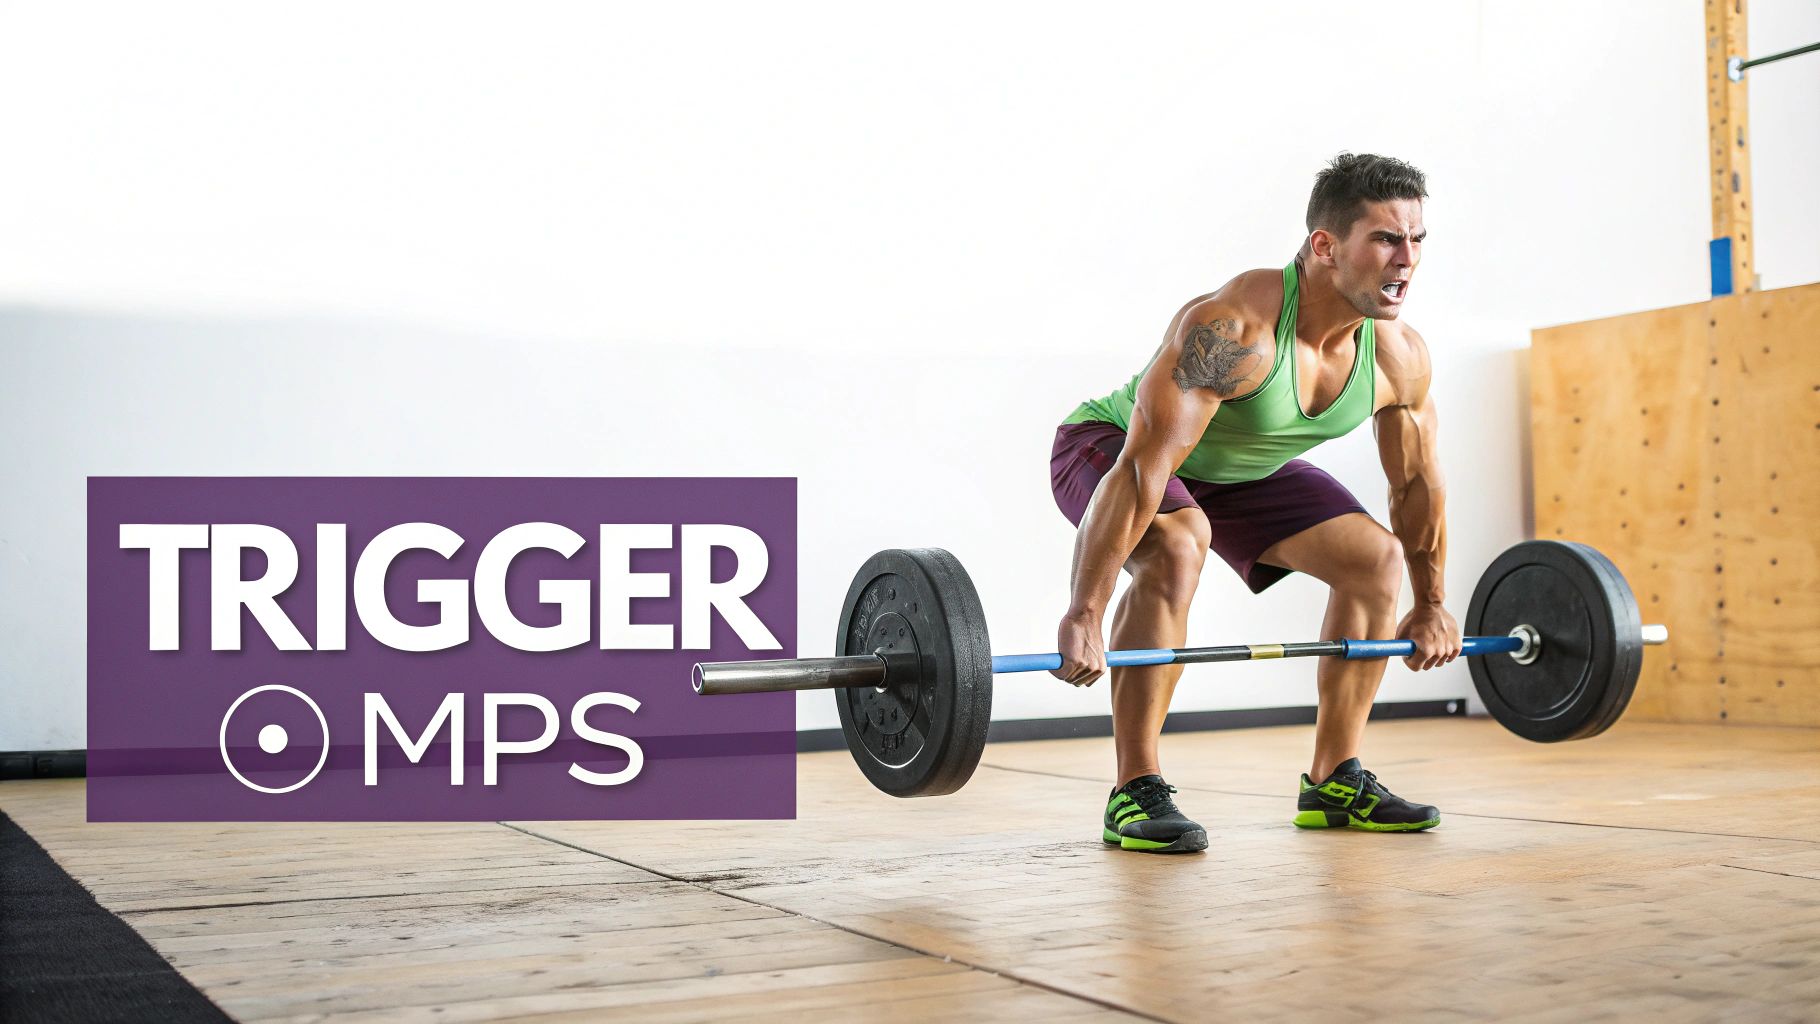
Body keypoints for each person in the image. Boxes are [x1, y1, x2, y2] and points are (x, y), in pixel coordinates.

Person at [1049, 153, 1462, 853]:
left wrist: (1429, 602)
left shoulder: (1400, 357)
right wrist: (1084, 611)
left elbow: (1416, 486)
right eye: (1387, 239)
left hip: (1239, 469)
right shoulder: (1235, 329)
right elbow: (1147, 467)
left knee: (1375, 560)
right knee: (1179, 541)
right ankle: (1134, 789)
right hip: (1115, 448)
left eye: (1418, 239)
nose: (1407, 259)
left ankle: (1333, 780)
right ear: (1325, 247)